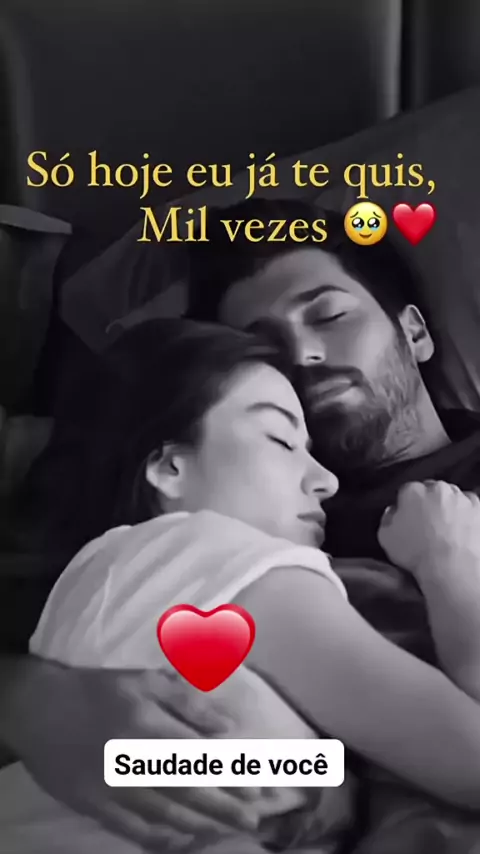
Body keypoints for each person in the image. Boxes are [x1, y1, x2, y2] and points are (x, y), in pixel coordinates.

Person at [1, 195, 480, 848]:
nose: (302, 354)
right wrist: (34, 701)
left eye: (330, 315)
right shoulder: (210, 513)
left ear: (415, 332)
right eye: (266, 346)